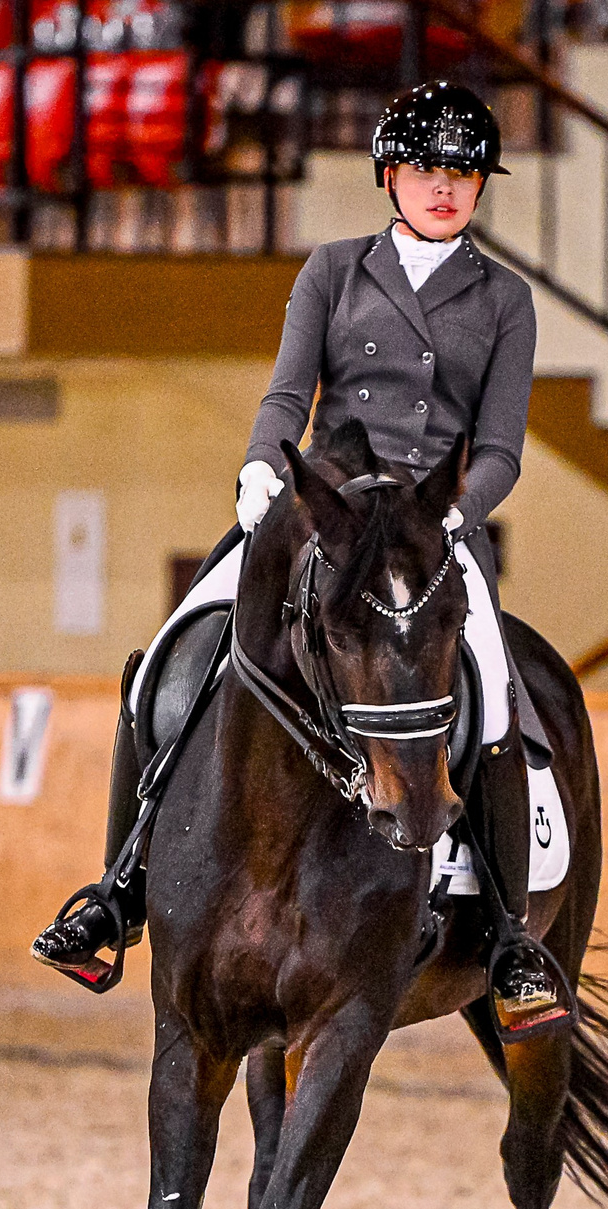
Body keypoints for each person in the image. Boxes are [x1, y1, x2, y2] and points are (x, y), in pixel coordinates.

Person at [30, 81, 564, 1039]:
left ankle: (511, 938)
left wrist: (453, 514)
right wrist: (258, 470)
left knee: (490, 692)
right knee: (162, 663)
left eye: (463, 173)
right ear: (390, 176)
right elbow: (288, 395)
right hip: (322, 518)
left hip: (428, 537)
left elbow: (500, 447)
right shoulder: (332, 270)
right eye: (427, 170)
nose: (446, 188)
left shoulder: (504, 300)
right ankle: (117, 893)